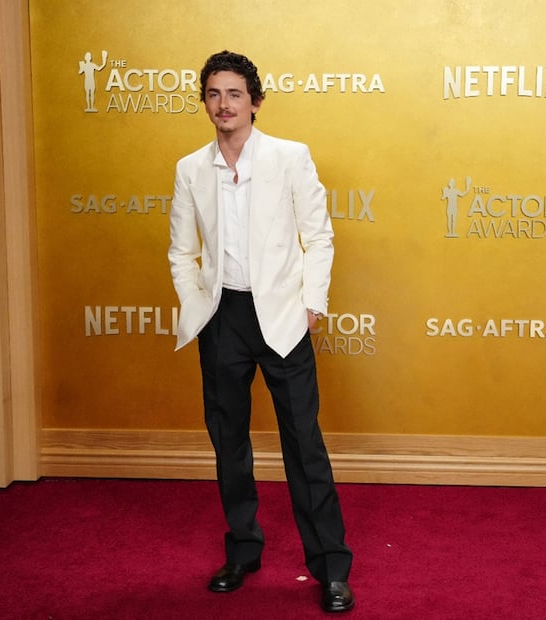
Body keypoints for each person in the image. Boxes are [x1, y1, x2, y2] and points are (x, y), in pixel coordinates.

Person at [168, 50, 354, 613]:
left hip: (282, 319)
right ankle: (243, 550)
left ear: (254, 101)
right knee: (230, 444)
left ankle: (331, 567)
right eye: (213, 94)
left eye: (234, 94)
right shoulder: (189, 168)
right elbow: (181, 251)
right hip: (221, 318)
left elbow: (318, 238)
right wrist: (196, 304)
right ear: (204, 102)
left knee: (305, 445)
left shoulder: (290, 158)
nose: (223, 105)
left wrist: (310, 308)